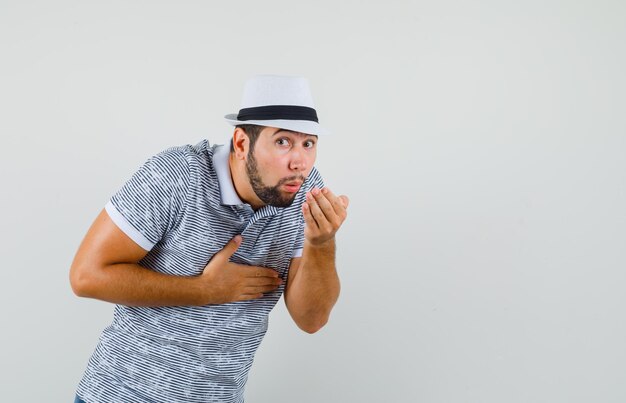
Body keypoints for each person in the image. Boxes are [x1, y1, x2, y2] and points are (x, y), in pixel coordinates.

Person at [69, 75, 349, 403]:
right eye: (283, 141)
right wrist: (205, 290)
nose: (299, 162)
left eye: (309, 144)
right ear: (242, 143)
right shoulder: (177, 175)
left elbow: (311, 319)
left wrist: (321, 243)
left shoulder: (303, 188)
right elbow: (86, 276)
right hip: (123, 395)